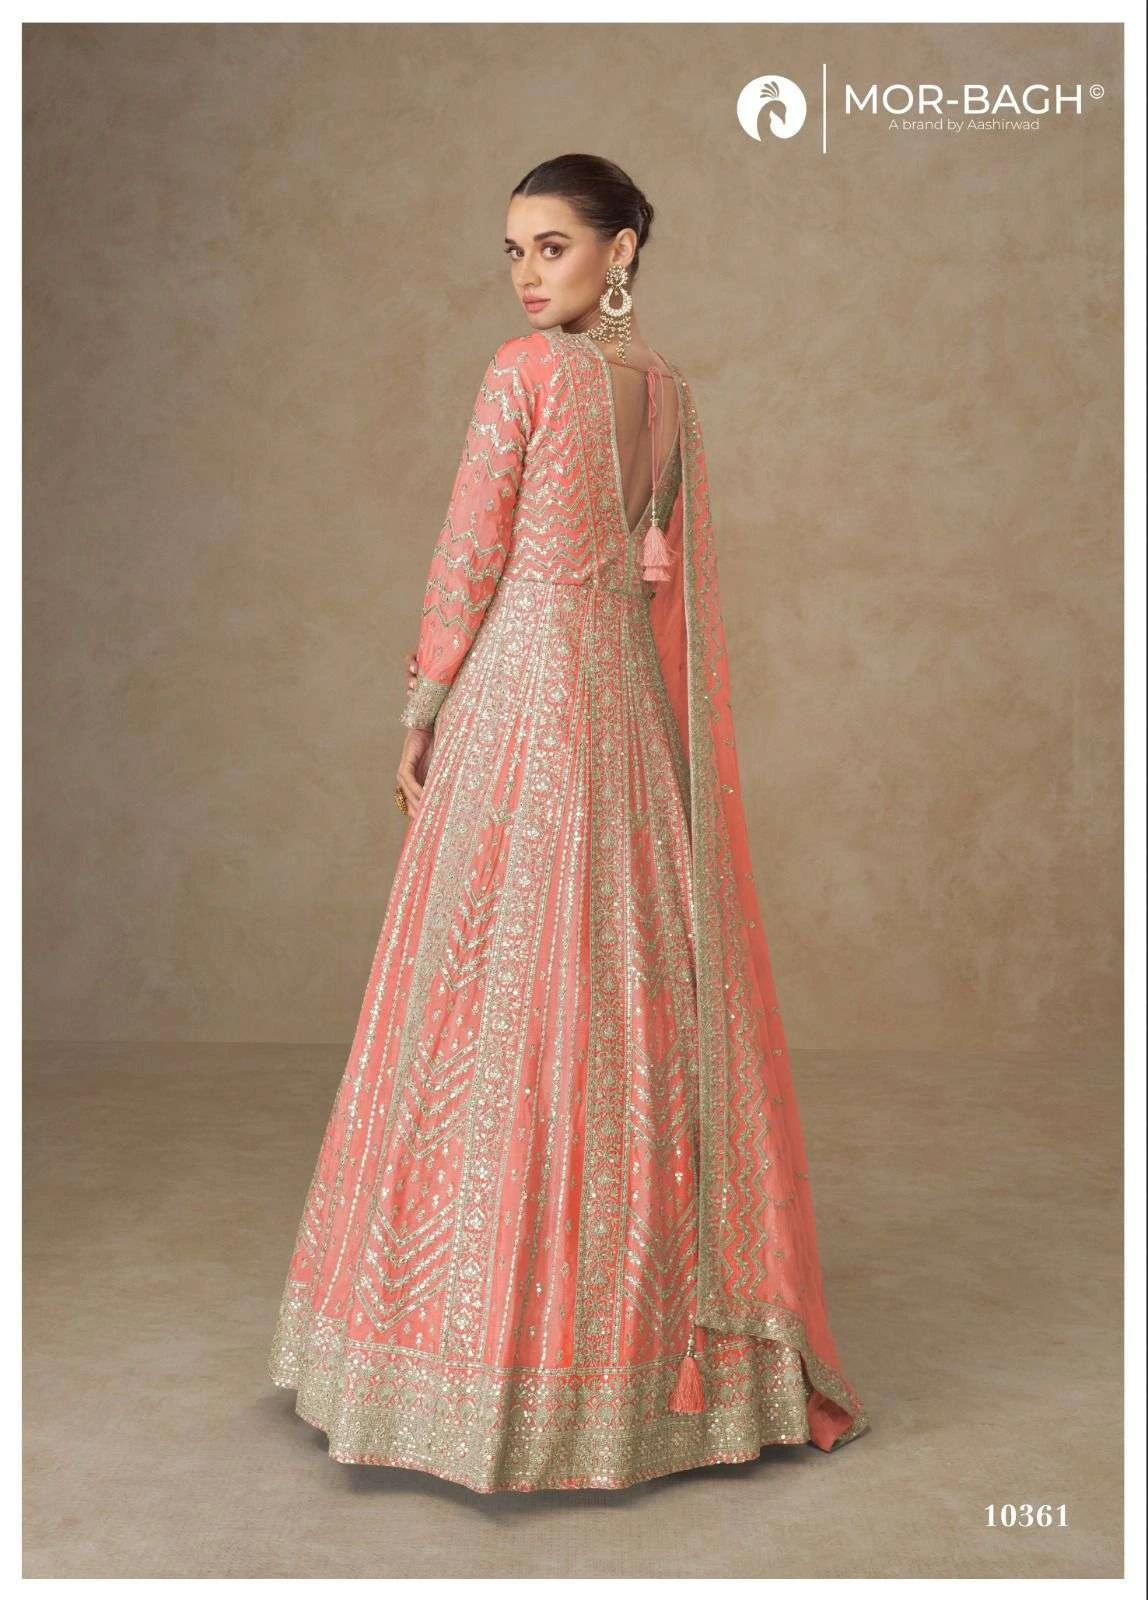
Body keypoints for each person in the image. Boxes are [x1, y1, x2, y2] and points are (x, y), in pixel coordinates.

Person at [268, 153, 870, 1493]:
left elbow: (470, 552)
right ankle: (642, 1365)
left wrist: (422, 703)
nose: (529, 275)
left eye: (553, 246)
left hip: (522, 701)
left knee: (488, 1004)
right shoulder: (669, 394)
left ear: (621, 249)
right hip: (624, 712)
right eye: (514, 251)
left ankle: (464, 1354)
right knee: (616, 1002)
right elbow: (660, 577)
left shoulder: (525, 376)